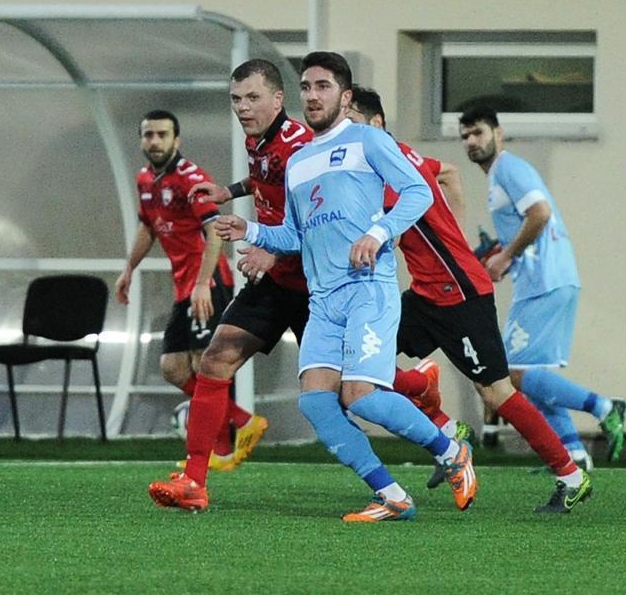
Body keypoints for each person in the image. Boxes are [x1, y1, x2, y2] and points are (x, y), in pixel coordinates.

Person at [153, 51, 477, 520]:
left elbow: (420, 189)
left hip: (350, 286)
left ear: (344, 97)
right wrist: (249, 229)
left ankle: (445, 440)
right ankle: (389, 493)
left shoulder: (358, 141)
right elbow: (293, 226)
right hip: (310, 291)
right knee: (306, 397)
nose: (243, 107)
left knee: (360, 393)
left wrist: (378, 233)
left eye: (322, 87)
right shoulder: (296, 157)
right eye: (307, 87)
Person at [348, 86, 593, 512]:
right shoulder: (400, 158)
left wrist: (447, 245)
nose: (347, 133)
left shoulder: (390, 170)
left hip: (460, 295)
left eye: (353, 123)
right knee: (364, 365)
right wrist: (454, 235)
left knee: (495, 391)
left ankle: (571, 475)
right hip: (425, 294)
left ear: (376, 124)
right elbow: (449, 173)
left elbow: (418, 205)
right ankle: (442, 421)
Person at [146, 59, 312, 501]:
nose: (242, 107)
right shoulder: (258, 136)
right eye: (236, 99)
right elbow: (264, 178)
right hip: (274, 280)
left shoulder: (301, 147)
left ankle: (424, 402)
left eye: (253, 97)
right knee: (216, 359)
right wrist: (229, 192)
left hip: (315, 286)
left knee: (351, 392)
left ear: (278, 99)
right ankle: (194, 482)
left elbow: (318, 216)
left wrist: (272, 249)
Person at [457, 106, 626, 466]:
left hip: (544, 281)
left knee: (510, 373)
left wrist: (506, 257)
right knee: (530, 374)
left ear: (498, 133)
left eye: (478, 132)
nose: (471, 141)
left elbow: (540, 213)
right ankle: (574, 454)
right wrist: (502, 253)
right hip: (546, 280)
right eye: (465, 136)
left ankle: (604, 407)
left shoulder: (508, 167)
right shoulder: (501, 174)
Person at [116, 110, 241, 468]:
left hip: (208, 281)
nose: (154, 141)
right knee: (172, 367)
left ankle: (222, 448)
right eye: (148, 135)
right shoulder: (145, 180)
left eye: (162, 134)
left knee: (206, 363)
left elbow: (215, 231)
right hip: (184, 286)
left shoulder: (192, 178)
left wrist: (203, 284)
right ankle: (238, 420)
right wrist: (129, 268)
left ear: (177, 140)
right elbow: (148, 227)